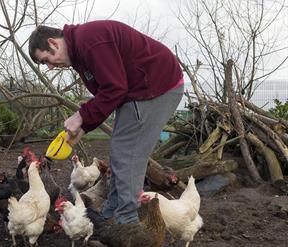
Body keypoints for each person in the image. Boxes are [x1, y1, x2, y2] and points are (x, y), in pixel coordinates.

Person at [28, 20, 184, 225]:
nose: (49, 66)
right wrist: (83, 127)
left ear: (53, 43)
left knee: (128, 154)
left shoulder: (89, 41)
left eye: (46, 59)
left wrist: (80, 115)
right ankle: (111, 213)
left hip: (156, 86)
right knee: (120, 151)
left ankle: (127, 221)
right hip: (137, 91)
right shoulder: (80, 55)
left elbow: (114, 89)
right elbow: (108, 94)